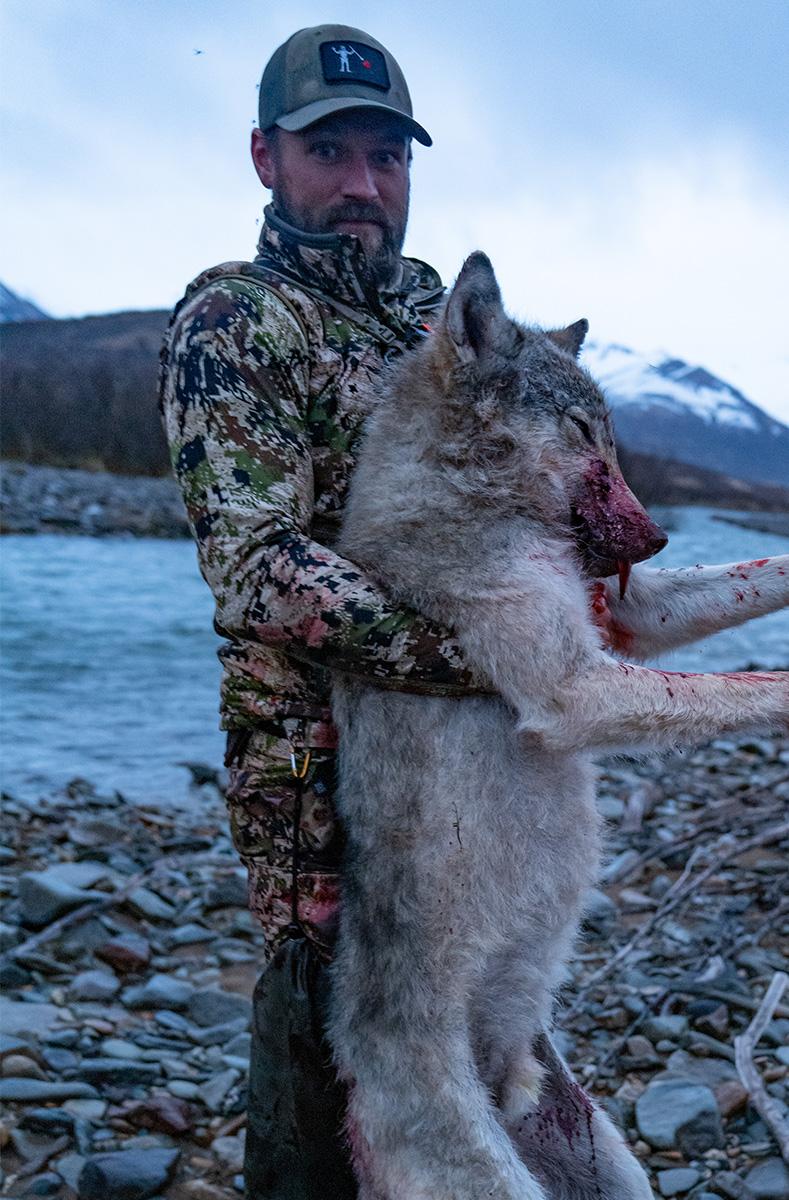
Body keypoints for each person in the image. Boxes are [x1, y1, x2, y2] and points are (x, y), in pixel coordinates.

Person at [159, 24, 480, 1198]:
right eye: (329, 150)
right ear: (265, 157)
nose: (362, 185)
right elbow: (257, 562)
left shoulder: (439, 324)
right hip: (320, 776)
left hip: (471, 766)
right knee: (333, 1051)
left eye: (387, 156)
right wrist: (486, 654)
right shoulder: (238, 324)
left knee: (469, 1031)